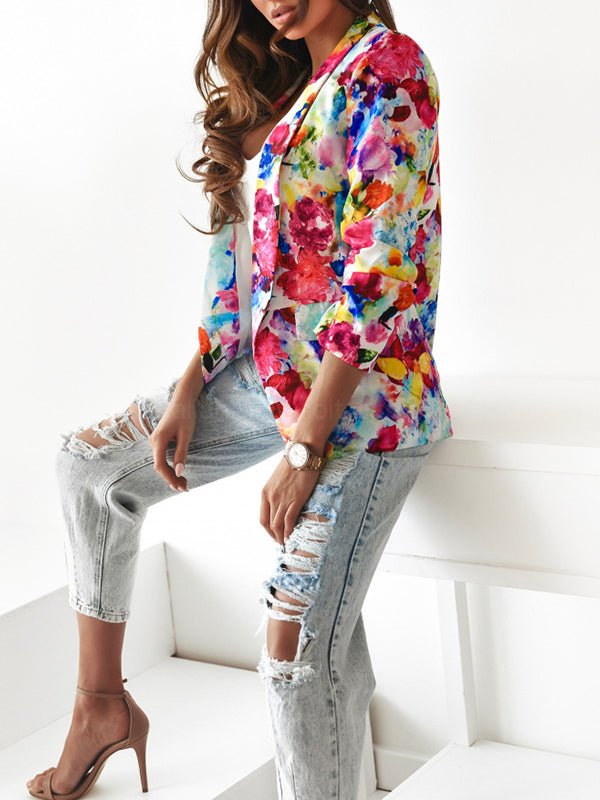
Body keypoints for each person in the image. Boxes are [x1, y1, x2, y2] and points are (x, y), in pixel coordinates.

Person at [26, 1, 453, 798]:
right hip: (262, 379)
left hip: (364, 403)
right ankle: (100, 706)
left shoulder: (387, 67)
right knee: (90, 468)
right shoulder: (278, 84)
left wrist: (304, 451)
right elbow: (237, 273)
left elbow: (380, 276)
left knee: (293, 652)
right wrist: (192, 385)